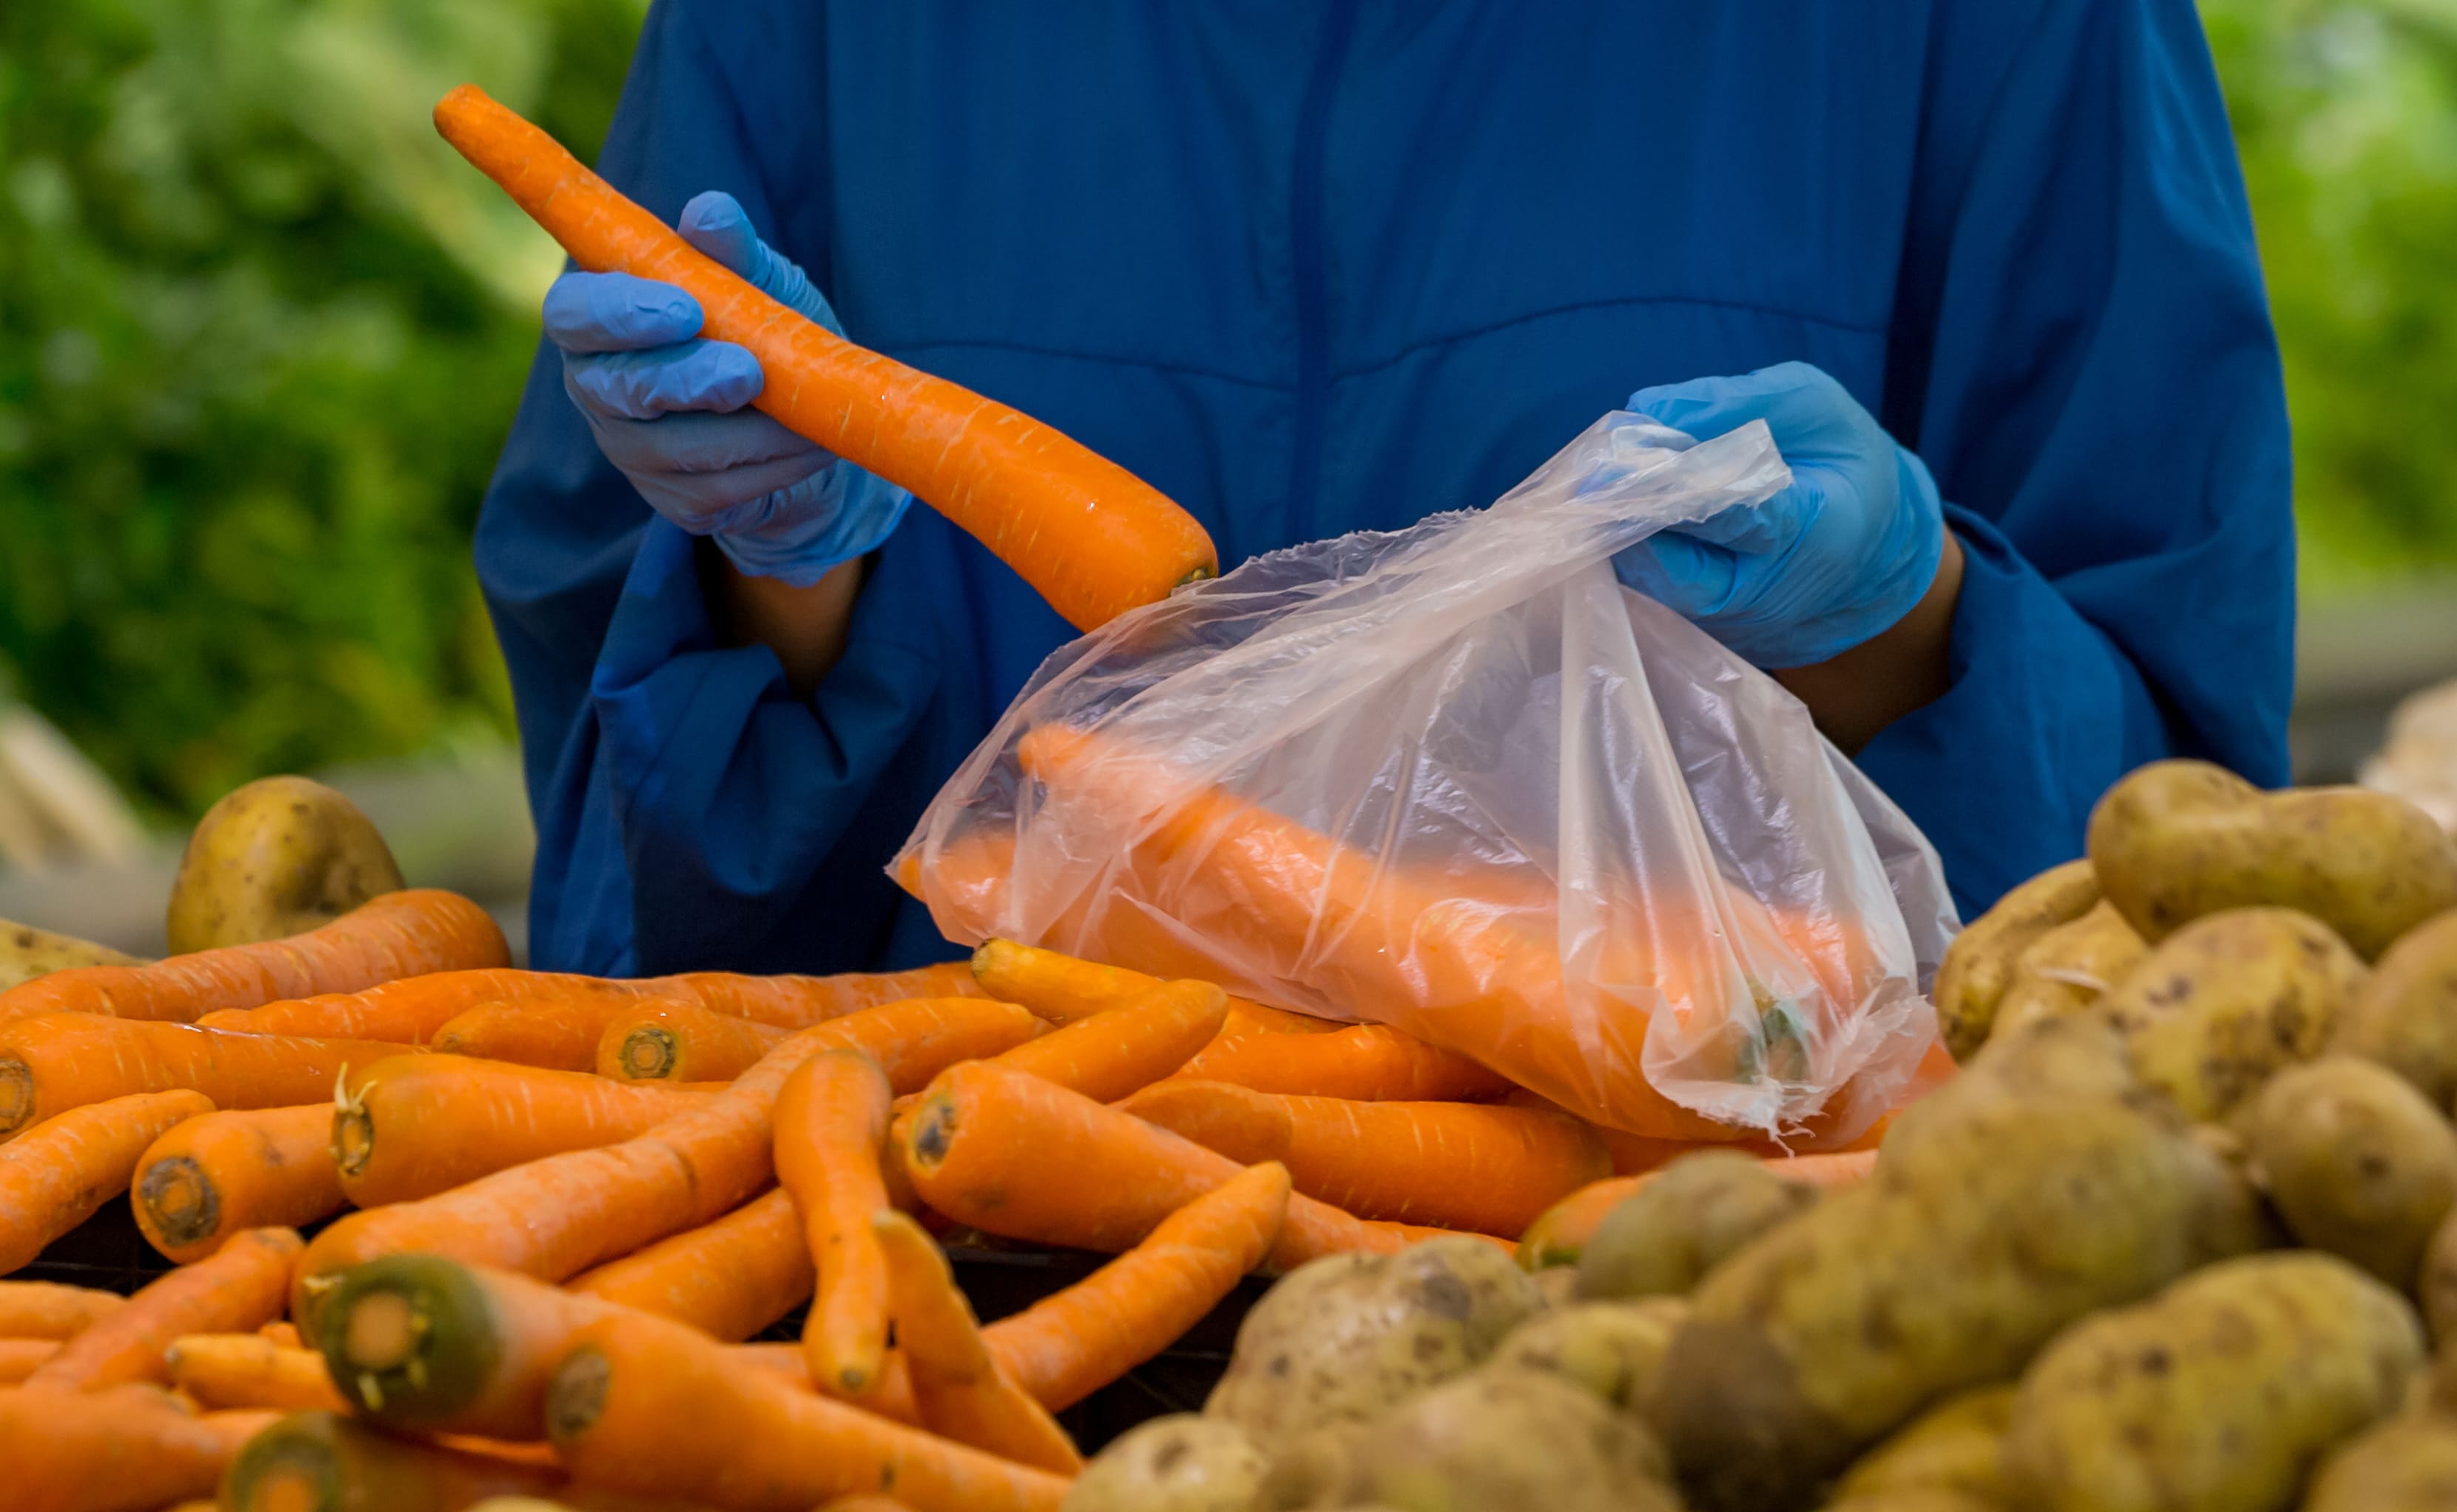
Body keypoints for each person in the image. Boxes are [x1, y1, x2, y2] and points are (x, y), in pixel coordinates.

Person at [475, 1, 2293, 977]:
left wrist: (1905, 632)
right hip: (964, 1286)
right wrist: (779, 574)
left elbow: (2187, 865)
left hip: (1697, 1292)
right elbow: (635, 929)